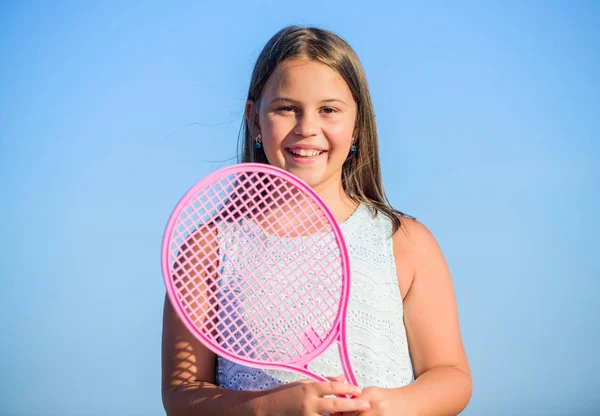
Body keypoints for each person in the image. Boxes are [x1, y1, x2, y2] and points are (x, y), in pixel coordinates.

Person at [161, 25, 472, 415]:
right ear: (255, 120)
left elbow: (450, 374)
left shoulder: (406, 242)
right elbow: (182, 393)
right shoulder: (208, 249)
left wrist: (393, 406)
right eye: (286, 108)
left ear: (358, 123)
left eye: (328, 109)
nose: (307, 127)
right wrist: (269, 408)